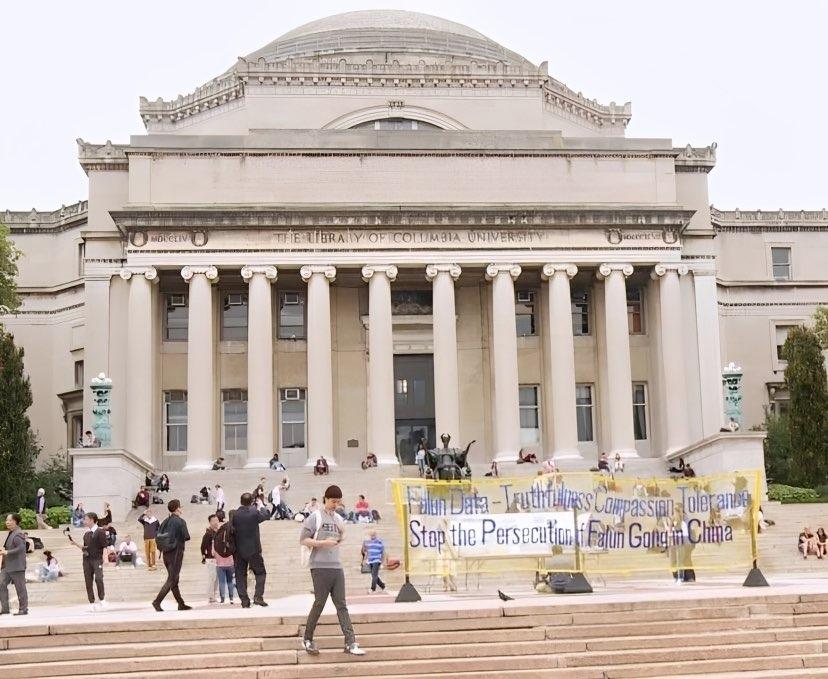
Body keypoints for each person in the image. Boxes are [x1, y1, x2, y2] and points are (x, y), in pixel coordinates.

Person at [300, 485, 365, 656]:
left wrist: (340, 539)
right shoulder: (315, 517)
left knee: (342, 605)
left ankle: (350, 642)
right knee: (319, 603)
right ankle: (307, 639)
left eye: (338, 502)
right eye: (333, 501)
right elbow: (303, 540)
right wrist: (323, 543)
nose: (335, 504)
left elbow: (343, 533)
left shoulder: (338, 518)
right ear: (326, 499)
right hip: (319, 566)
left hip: (336, 566)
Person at [231, 493, 270, 608]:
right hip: (254, 549)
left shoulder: (235, 514)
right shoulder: (254, 512)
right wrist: (261, 504)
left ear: (240, 501)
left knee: (240, 575)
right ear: (252, 501)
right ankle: (258, 597)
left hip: (239, 550)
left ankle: (244, 600)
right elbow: (267, 514)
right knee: (260, 572)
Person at [152, 499, 192, 612]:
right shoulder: (180, 521)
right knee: (171, 579)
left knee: (174, 579)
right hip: (176, 553)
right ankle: (157, 601)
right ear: (177, 508)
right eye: (180, 507)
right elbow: (186, 536)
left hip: (165, 553)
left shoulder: (165, 521)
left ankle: (181, 603)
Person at [68, 512, 108, 611]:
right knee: (88, 581)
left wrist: (105, 558)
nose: (84, 521)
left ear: (91, 520)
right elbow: (85, 547)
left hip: (97, 559)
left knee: (99, 578)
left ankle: (102, 599)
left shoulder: (100, 531)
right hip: (86, 560)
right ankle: (91, 602)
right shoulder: (86, 534)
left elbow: (105, 546)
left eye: (85, 519)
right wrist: (75, 544)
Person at [0, 513, 29, 616]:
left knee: (20, 588)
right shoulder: (11, 533)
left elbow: (21, 548)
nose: (7, 522)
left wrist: (7, 552)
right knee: (1, 584)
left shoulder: (18, 534)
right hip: (7, 565)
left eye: (9, 520)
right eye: (6, 520)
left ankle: (23, 609)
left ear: (15, 522)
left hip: (17, 565)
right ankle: (5, 609)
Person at [214, 513, 236, 604]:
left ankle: (222, 598)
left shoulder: (220, 530)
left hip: (219, 562)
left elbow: (214, 547)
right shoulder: (233, 529)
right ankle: (231, 598)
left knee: (222, 582)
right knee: (230, 581)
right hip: (230, 561)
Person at [200, 514, 220, 604]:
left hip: (218, 558)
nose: (216, 522)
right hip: (210, 558)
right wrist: (204, 555)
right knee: (212, 577)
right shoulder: (208, 534)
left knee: (217, 578)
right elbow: (202, 546)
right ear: (210, 522)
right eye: (213, 521)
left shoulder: (218, 532)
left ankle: (214, 595)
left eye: (217, 520)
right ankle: (211, 597)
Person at [362, 529, 386, 594]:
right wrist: (364, 560)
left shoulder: (379, 542)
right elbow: (366, 552)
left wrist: (382, 563)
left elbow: (383, 552)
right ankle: (383, 586)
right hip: (370, 561)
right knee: (374, 575)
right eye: (371, 535)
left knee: (374, 575)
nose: (372, 536)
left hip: (377, 560)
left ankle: (373, 589)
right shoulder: (368, 542)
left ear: (376, 535)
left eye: (374, 534)